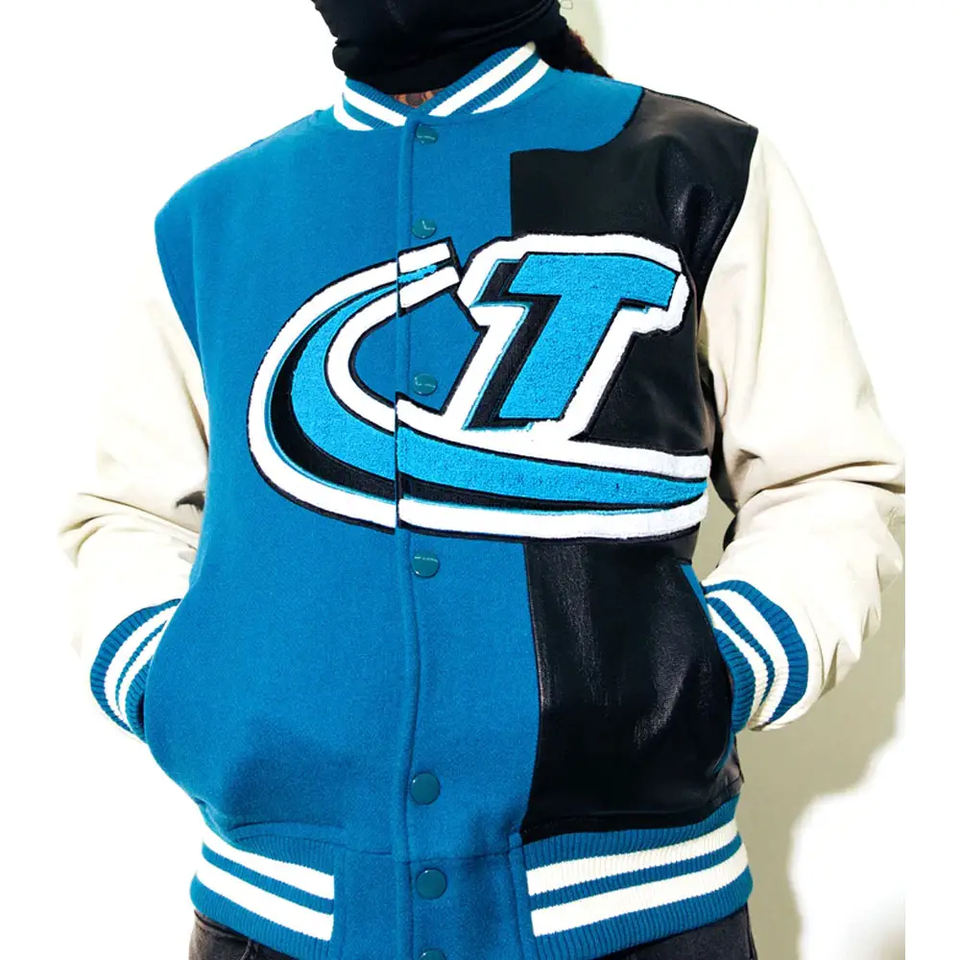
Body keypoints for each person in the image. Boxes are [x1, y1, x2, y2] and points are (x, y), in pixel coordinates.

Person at [57, 2, 906, 959]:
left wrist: (724, 668)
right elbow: (128, 513)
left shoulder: (694, 164)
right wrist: (175, 685)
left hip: (639, 913)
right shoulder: (211, 218)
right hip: (278, 916)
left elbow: (824, 476)